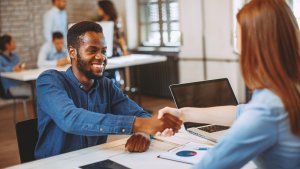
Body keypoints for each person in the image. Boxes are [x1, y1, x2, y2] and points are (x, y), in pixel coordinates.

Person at [158, 0, 300, 168]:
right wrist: (182, 113)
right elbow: (241, 112)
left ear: (254, 44)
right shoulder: (288, 88)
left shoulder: (269, 107)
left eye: (236, 36)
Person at [34, 21, 182, 159]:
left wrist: (143, 132)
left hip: (92, 161)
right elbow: (70, 119)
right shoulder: (49, 81)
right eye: (92, 50)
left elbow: (141, 115)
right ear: (72, 52)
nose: (101, 57)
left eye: (103, 51)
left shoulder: (105, 85)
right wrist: (138, 125)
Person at [97, 0, 128, 86]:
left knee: (112, 76)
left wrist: (124, 50)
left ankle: (115, 91)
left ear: (104, 9)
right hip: (104, 53)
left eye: (99, 9)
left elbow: (120, 37)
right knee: (103, 75)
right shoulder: (99, 22)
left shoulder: (115, 22)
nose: (98, 10)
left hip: (114, 53)